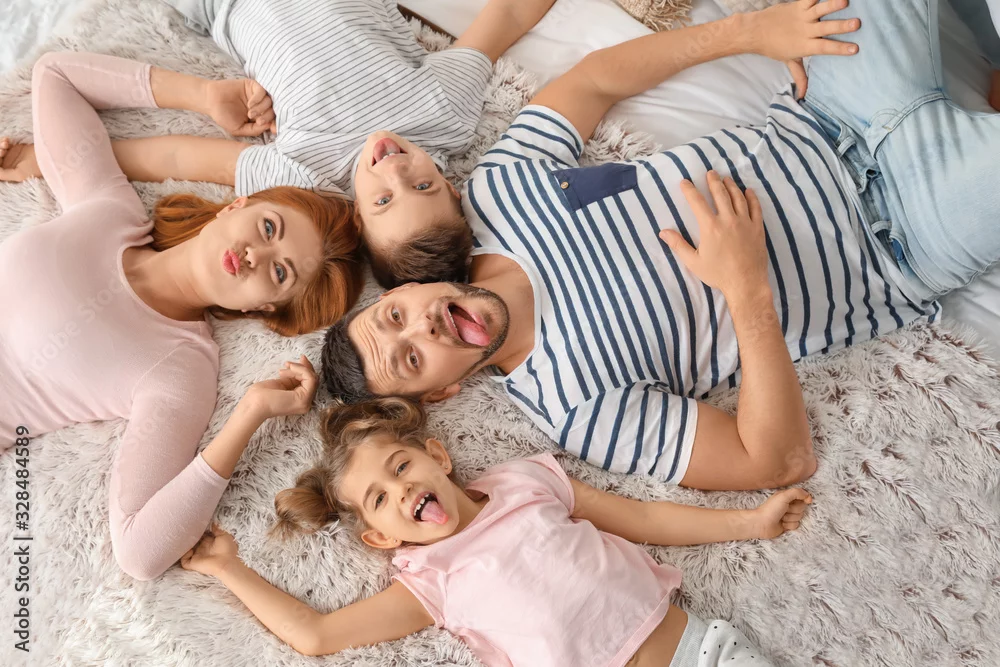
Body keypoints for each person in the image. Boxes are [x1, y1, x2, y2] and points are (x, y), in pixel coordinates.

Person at [318, 0, 889, 493]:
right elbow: (776, 461)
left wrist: (750, 30)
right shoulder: (578, 409)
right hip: (894, 247)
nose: (424, 327)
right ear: (444, 392)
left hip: (820, 115)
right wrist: (747, 292)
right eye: (412, 358)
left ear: (405, 290)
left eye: (397, 317)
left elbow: (593, 82)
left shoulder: (496, 194)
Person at [0, 51, 357, 580]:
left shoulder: (180, 368)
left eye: (280, 272)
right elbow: (55, 74)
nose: (256, 255)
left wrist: (250, 414)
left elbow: (140, 552)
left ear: (263, 307)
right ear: (236, 206)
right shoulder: (108, 210)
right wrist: (203, 95)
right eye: (268, 227)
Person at [180, 397, 812, 665]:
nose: (402, 491)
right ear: (381, 539)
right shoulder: (430, 581)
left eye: (400, 467)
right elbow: (316, 636)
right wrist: (227, 567)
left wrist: (748, 523)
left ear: (437, 456)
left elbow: (643, 518)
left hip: (699, 653)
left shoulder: (525, 482)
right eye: (380, 499)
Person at [0, 0, 559, 288]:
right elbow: (505, 16)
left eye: (384, 199)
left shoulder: (307, 180)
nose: (393, 167)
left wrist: (49, 159)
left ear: (357, 217)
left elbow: (176, 156)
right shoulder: (446, 115)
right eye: (423, 184)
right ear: (451, 185)